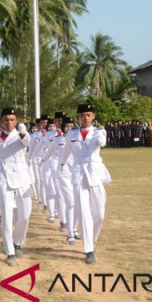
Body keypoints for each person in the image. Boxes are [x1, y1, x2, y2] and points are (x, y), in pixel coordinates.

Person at [61, 103, 112, 264]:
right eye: (82, 115)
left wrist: (101, 137)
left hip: (94, 174)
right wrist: (61, 166)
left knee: (99, 214)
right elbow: (66, 151)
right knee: (83, 212)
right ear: (78, 117)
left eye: (88, 115)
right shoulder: (72, 134)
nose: (85, 118)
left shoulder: (98, 132)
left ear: (93, 116)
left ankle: (91, 237)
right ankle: (89, 249)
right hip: (78, 175)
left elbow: (102, 142)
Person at [0, 108, 32, 266]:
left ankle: (17, 241)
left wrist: (24, 132)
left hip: (21, 178)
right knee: (6, 216)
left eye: (12, 120)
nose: (9, 123)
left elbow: (26, 142)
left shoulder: (20, 135)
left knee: (24, 214)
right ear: (1, 122)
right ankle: (10, 251)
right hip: (3, 179)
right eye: (6, 120)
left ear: (16, 121)